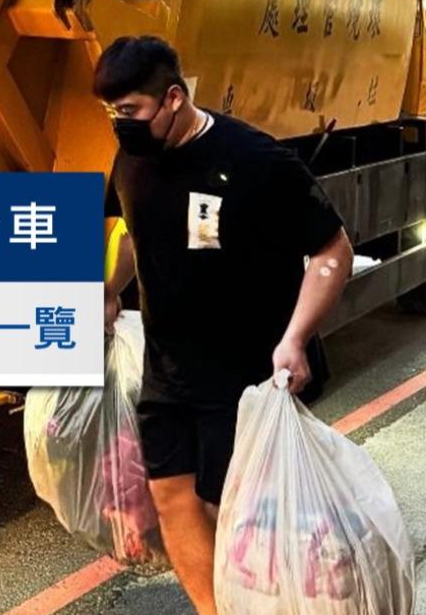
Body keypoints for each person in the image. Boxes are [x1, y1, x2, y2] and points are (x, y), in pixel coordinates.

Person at [96, 36, 353, 614]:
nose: (121, 124)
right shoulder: (132, 158)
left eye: (131, 110)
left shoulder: (254, 160)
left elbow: (332, 250)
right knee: (171, 498)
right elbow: (135, 231)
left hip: (243, 373)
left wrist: (295, 339)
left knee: (228, 514)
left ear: (173, 98)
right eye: (112, 112)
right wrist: (110, 289)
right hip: (167, 369)